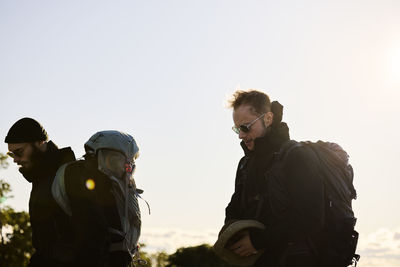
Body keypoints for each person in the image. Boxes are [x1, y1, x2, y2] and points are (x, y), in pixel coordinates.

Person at [222, 90, 324, 267]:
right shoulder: (245, 164)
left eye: (246, 127)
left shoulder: (297, 156)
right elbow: (234, 206)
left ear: (267, 119)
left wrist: (256, 241)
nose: (240, 135)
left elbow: (310, 218)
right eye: (237, 129)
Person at [51, 130, 143, 267]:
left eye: (128, 161)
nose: (124, 166)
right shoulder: (81, 180)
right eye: (113, 159)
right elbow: (91, 237)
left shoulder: (118, 187)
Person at [5, 117, 76, 267]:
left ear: (40, 142)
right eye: (12, 154)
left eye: (19, 152)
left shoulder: (69, 175)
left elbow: (94, 236)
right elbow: (45, 247)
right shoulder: (41, 178)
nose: (15, 160)